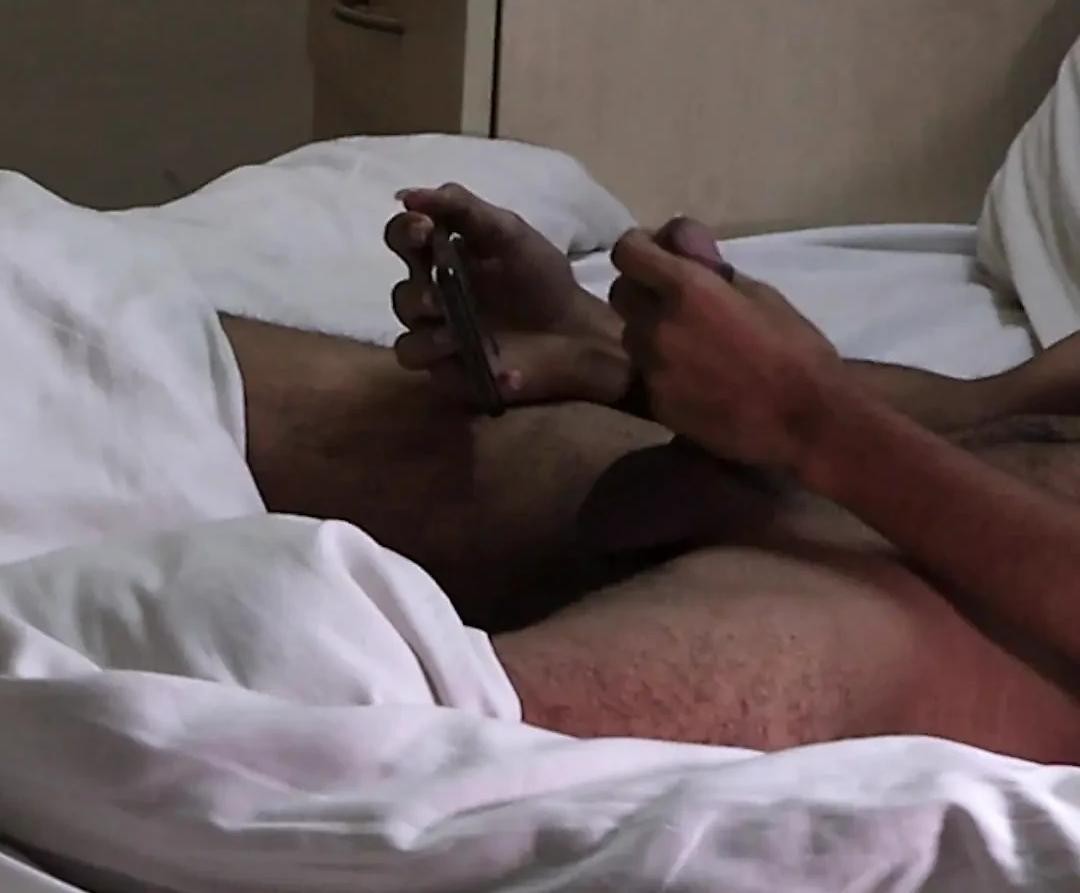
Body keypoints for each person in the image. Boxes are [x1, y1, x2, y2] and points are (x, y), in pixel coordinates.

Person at [218, 183, 1080, 762]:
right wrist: (610, 350)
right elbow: (975, 411)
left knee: (351, 765)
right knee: (183, 371)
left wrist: (809, 419)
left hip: (968, 635)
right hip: (827, 487)